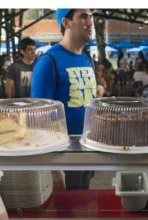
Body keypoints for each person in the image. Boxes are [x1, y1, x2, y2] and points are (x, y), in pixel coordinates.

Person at [31, 8, 96, 190]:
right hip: (62, 157)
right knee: (63, 216)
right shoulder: (48, 62)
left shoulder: (86, 59)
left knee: (82, 210)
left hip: (86, 151)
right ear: (66, 23)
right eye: (83, 17)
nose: (90, 22)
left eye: (90, 16)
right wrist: (53, 166)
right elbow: (38, 118)